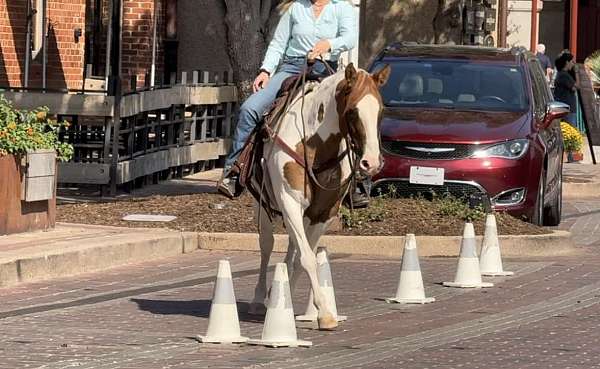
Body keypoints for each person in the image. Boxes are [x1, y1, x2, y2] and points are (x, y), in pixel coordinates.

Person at [217, 0, 358, 199]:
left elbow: (350, 37)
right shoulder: (295, 8)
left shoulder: (342, 8)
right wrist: (266, 70)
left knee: (352, 111)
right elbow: (278, 43)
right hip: (292, 67)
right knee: (250, 109)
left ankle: (357, 181)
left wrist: (330, 44)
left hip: (326, 68)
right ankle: (234, 172)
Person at [553, 52, 579, 126]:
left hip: (567, 107)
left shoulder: (563, 74)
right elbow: (576, 86)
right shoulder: (564, 75)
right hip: (567, 107)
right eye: (572, 62)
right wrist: (576, 72)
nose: (573, 64)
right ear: (567, 62)